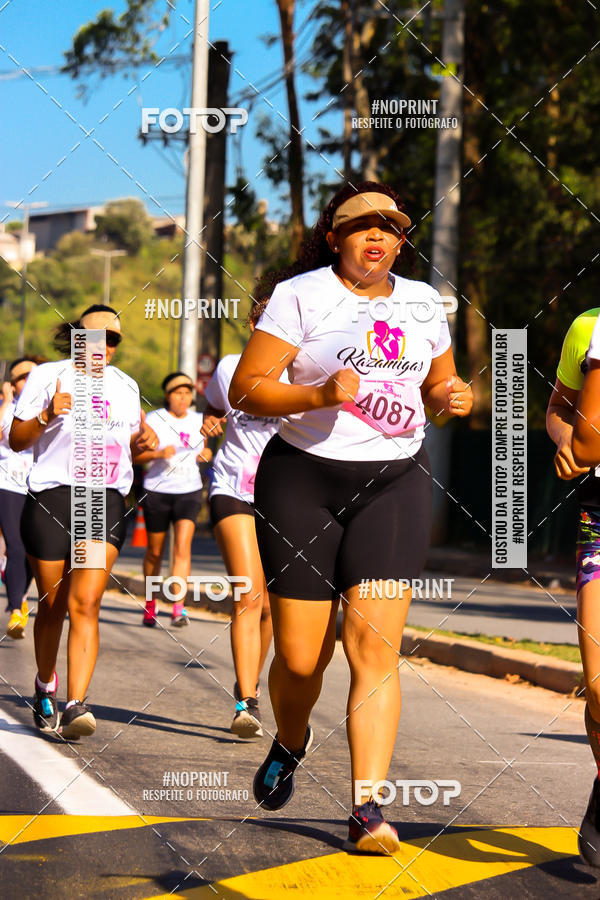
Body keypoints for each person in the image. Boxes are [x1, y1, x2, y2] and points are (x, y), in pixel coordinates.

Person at [229, 181, 473, 853]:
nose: (378, 235)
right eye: (363, 225)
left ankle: (367, 807)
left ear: (401, 241)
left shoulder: (423, 302)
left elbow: (438, 385)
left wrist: (451, 395)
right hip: (303, 479)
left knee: (374, 648)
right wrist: (316, 393)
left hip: (395, 481)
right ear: (334, 237)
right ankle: (291, 738)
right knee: (302, 658)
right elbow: (246, 389)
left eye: (390, 227)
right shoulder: (300, 295)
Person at [10, 304, 157, 739]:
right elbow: (16, 440)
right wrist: (47, 414)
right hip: (52, 497)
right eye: (98, 337)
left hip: (100, 500)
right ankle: (45, 684)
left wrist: (144, 442)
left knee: (86, 602)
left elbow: (131, 447)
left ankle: (76, 703)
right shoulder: (47, 376)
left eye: (114, 340)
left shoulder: (125, 386)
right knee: (52, 605)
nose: (106, 346)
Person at [201, 304, 283, 739]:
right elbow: (214, 405)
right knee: (248, 595)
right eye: (268, 318)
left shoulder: (305, 371)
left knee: (270, 606)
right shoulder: (230, 367)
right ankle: (247, 701)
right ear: (253, 324)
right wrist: (210, 420)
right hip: (233, 488)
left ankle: (248, 681)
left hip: (284, 496)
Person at [547, 308, 600, 867]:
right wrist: (567, 441)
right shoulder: (588, 327)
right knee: (599, 684)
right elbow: (558, 408)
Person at [136, 372, 212, 628]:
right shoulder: (154, 419)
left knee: (182, 548)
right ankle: (150, 603)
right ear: (168, 396)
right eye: (178, 393)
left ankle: (178, 608)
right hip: (157, 490)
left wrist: (206, 453)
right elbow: (136, 456)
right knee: (155, 552)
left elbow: (205, 450)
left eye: (187, 393)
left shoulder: (199, 420)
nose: (183, 398)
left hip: (189, 490)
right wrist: (158, 454)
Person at [0, 357, 37, 638]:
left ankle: (21, 596)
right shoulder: (7, 409)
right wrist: (7, 400)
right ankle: (15, 610)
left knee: (34, 552)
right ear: (12, 384)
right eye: (23, 377)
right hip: (8, 484)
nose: (30, 381)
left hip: (39, 488)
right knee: (15, 546)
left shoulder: (49, 409)